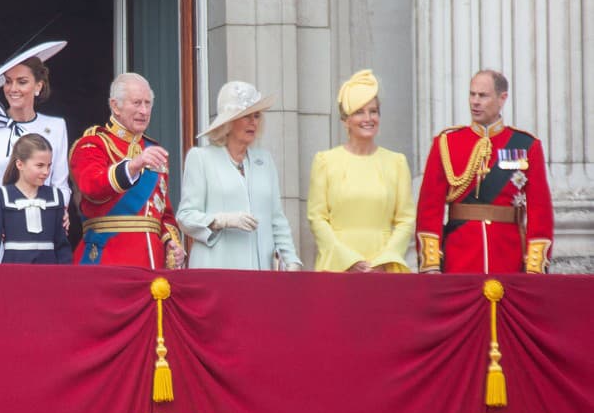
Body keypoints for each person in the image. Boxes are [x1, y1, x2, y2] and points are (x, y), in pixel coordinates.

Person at [416, 69, 554, 274]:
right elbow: (429, 208)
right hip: (459, 256)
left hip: (508, 256)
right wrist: (431, 265)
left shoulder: (526, 145)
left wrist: (534, 267)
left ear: (502, 98)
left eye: (483, 95)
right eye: (472, 94)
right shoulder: (447, 143)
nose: (475, 101)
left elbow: (540, 210)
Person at [176, 81, 302, 270]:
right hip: (217, 270)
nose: (254, 122)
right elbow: (185, 217)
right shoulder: (201, 158)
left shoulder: (264, 161)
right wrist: (221, 220)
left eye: (257, 116)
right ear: (228, 122)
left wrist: (291, 260)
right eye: (246, 116)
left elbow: (277, 219)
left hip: (259, 275)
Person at [69, 72, 185, 269]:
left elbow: (163, 212)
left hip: (152, 263)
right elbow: (92, 186)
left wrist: (171, 242)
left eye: (148, 104)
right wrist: (132, 166)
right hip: (107, 258)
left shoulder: (152, 149)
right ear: (115, 106)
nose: (144, 111)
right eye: (137, 103)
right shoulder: (92, 143)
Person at [306, 70, 415, 273]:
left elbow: (405, 219)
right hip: (337, 268)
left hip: (383, 268)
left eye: (373, 111)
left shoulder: (396, 163)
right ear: (346, 120)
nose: (368, 118)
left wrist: (384, 260)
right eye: (359, 112)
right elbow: (317, 218)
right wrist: (347, 260)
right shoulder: (325, 161)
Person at [0, 41, 70, 220]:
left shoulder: (56, 127)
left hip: (44, 224)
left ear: (38, 86)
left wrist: (56, 212)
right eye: (8, 82)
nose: (13, 89)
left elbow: (60, 186)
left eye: (22, 82)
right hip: (2, 228)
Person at [0, 133, 72, 264]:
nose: (46, 171)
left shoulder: (55, 196)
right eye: (40, 165)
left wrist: (65, 276)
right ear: (20, 164)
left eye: (49, 165)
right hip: (13, 273)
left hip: (49, 274)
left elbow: (62, 246)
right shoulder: (2, 196)